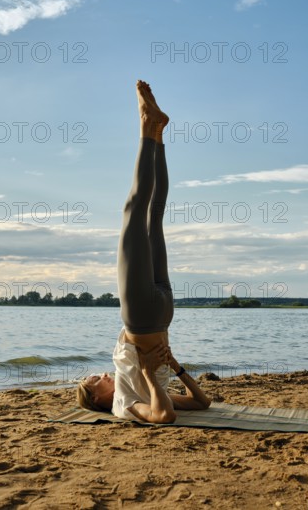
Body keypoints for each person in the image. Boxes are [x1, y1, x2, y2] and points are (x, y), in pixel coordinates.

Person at [77, 81, 211, 423]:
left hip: (163, 313)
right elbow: (164, 417)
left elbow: (200, 404)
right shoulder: (123, 403)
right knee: (134, 211)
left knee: (154, 217)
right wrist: (158, 372)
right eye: (95, 381)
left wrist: (172, 370)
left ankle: (158, 131)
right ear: (97, 399)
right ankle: (145, 126)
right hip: (144, 316)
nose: (102, 375)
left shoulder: (132, 388)